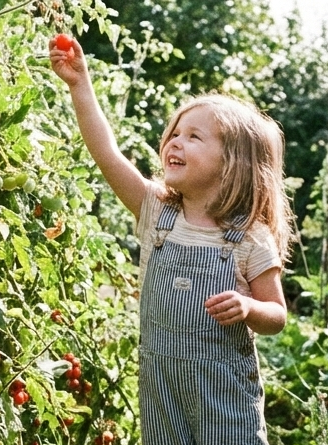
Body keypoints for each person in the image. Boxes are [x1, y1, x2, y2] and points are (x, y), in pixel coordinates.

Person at [49, 34, 292, 444]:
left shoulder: (248, 236)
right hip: (162, 387)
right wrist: (79, 84)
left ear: (232, 163)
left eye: (195, 137)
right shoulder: (156, 212)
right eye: (175, 134)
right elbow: (107, 153)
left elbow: (277, 315)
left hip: (224, 396)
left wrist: (249, 306)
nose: (176, 141)